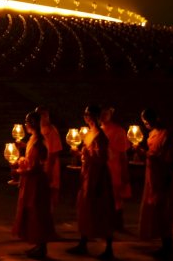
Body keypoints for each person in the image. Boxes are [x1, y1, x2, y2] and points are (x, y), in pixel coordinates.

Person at [68, 104, 116, 259]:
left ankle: (109, 248)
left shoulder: (100, 136)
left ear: (95, 116)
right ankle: (83, 242)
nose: (86, 117)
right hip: (88, 174)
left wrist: (84, 155)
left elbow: (101, 158)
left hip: (98, 177)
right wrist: (81, 154)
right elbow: (88, 154)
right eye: (85, 114)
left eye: (88, 114)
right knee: (85, 208)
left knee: (102, 210)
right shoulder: (89, 133)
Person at [12, 111, 56, 260]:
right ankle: (38, 244)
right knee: (32, 214)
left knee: (38, 213)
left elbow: (37, 166)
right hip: (32, 181)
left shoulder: (39, 141)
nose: (25, 125)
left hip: (37, 182)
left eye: (27, 122)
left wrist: (20, 170)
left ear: (33, 123)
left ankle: (42, 247)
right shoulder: (33, 139)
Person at [138, 109, 173, 259]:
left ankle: (168, 246)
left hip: (164, 178)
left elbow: (170, 160)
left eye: (148, 121)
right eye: (144, 122)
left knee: (165, 213)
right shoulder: (152, 134)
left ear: (157, 118)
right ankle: (163, 244)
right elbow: (153, 154)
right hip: (152, 177)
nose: (147, 124)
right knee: (156, 212)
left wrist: (166, 180)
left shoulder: (169, 135)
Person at [100, 106, 131, 230]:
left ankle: (118, 223)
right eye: (101, 113)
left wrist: (124, 172)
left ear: (110, 114)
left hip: (114, 169)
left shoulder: (118, 131)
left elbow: (123, 154)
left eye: (106, 113)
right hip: (101, 169)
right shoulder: (98, 130)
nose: (103, 116)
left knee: (116, 198)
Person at [36, 106, 63, 211]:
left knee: (49, 192)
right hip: (41, 165)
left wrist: (49, 171)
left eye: (43, 115)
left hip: (50, 166)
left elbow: (54, 152)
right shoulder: (40, 130)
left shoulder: (51, 131)